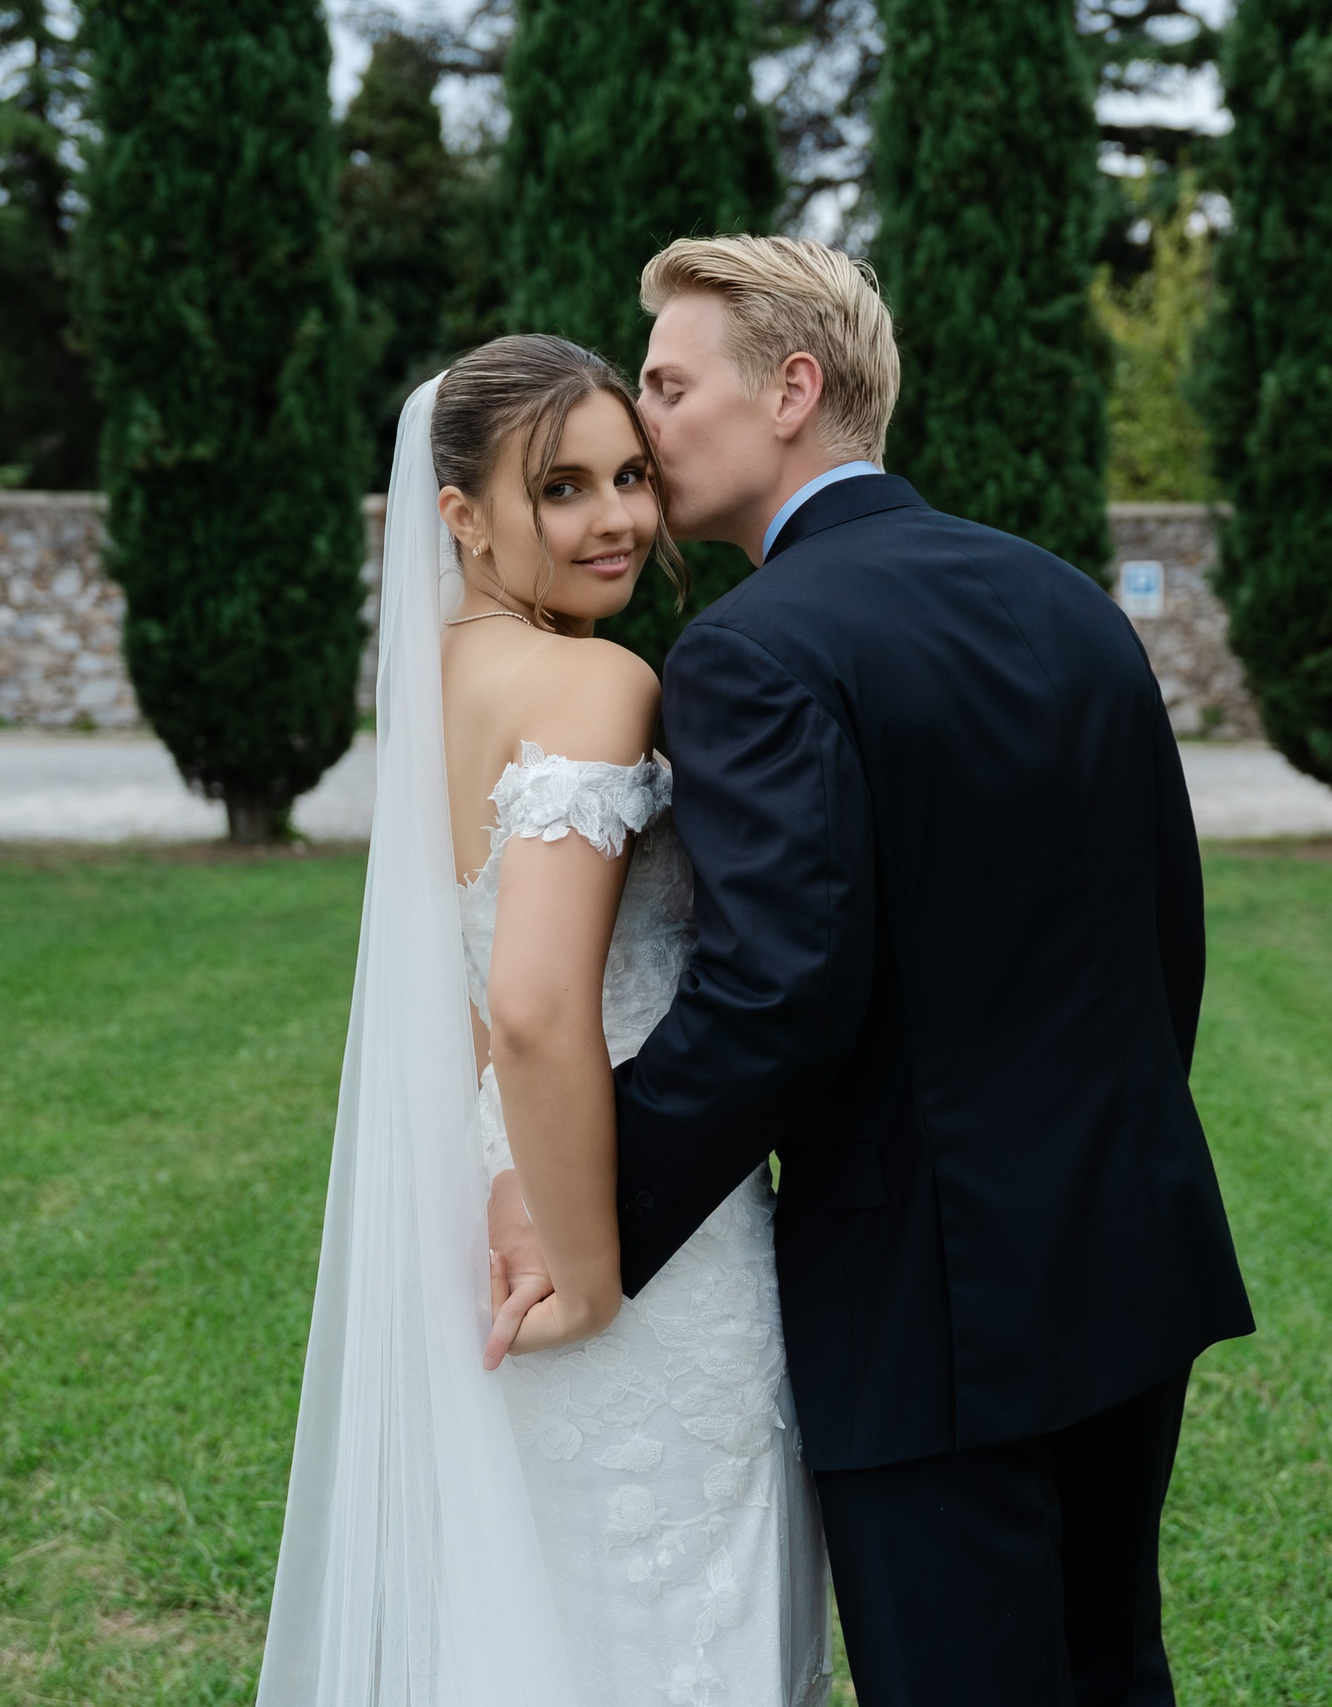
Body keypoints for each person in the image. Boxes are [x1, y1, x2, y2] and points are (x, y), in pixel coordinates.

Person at [494, 235, 1256, 1706]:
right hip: (1128, 1247)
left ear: (792, 390)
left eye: (669, 385)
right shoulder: (1064, 597)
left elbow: (776, 995)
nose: (644, 420)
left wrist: (582, 1202)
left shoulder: (750, 652)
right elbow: (1167, 930)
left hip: (930, 1299)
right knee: (1111, 1670)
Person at [256, 335, 828, 1707]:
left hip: (484, 1190)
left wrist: (509, 1180)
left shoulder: (439, 682)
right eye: (561, 488)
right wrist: (589, 1267)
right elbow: (529, 1003)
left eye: (630, 474)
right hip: (612, 1213)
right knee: (670, 1621)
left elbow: (457, 985)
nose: (618, 517)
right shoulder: (595, 683)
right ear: (461, 516)